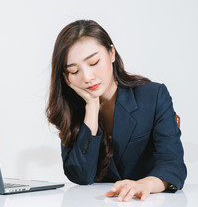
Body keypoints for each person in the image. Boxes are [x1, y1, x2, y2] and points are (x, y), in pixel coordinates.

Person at [46, 20, 186, 202]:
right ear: (66, 77)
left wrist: (145, 184)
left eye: (94, 62)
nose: (87, 77)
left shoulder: (153, 96)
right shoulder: (72, 110)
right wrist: (92, 108)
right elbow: (81, 176)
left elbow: (173, 165)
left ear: (111, 53)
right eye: (74, 71)